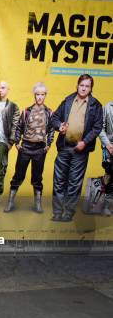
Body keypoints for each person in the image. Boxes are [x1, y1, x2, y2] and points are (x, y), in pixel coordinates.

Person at [51, 74, 103, 222]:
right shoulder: (68, 100)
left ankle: (68, 213)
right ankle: (57, 212)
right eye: (82, 85)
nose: (84, 88)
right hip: (64, 147)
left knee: (74, 183)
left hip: (80, 150)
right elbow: (54, 117)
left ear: (91, 88)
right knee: (59, 181)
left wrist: (85, 142)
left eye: (87, 86)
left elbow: (97, 127)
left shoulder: (95, 105)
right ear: (77, 85)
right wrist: (59, 126)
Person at [4, 82, 54, 213]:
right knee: (18, 176)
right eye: (37, 94)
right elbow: (19, 128)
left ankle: (38, 204)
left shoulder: (49, 112)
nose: (40, 97)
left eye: (42, 94)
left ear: (45, 95)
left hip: (40, 149)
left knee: (37, 177)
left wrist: (49, 145)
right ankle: (10, 203)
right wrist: (17, 143)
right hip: (25, 147)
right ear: (34, 95)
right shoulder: (26, 111)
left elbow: (51, 130)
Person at [99, 99, 113, 216]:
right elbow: (100, 128)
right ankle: (106, 205)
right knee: (109, 173)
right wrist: (108, 145)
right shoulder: (107, 107)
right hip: (109, 147)